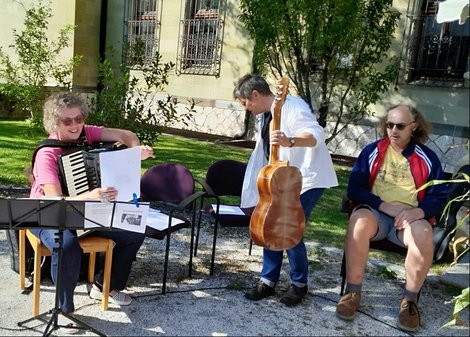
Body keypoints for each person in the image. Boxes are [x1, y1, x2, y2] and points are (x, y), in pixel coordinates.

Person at [29, 92, 155, 327]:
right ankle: (64, 311)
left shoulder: (88, 132)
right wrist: (90, 196)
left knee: (134, 231)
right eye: (67, 121)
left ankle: (105, 286)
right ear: (54, 123)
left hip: (87, 208)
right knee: (67, 246)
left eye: (79, 118)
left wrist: (134, 151)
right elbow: (56, 199)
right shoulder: (47, 154)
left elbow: (125, 135)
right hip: (47, 212)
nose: (75, 125)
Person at [335, 104, 448, 331]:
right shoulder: (372, 151)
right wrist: (384, 205)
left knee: (424, 233)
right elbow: (355, 188)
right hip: (377, 212)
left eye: (400, 126)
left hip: (410, 218)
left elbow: (439, 196)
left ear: (413, 127)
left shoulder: (428, 158)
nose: (393, 130)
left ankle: (410, 302)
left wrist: (418, 212)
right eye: (389, 125)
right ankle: (352, 292)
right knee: (359, 222)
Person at [233, 74, 338, 307]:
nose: (247, 109)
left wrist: (291, 141)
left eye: (245, 103)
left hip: (306, 178)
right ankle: (268, 281)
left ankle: (299, 284)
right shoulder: (268, 113)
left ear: (256, 95)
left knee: (290, 228)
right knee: (271, 224)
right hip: (281, 178)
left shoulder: (293, 106)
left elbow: (315, 135)